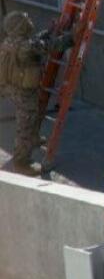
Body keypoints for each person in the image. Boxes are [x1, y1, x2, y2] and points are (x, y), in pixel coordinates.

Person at [0, 11, 71, 176]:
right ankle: (21, 162)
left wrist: (50, 30)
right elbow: (51, 46)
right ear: (20, 27)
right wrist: (73, 36)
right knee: (25, 125)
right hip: (22, 92)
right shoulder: (25, 47)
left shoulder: (12, 41)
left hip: (15, 88)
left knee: (31, 117)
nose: (29, 21)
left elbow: (36, 41)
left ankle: (32, 139)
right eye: (26, 20)